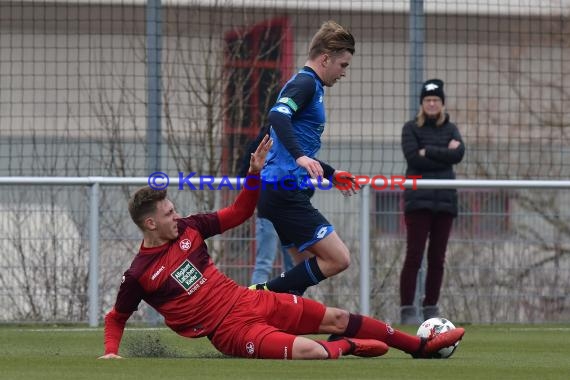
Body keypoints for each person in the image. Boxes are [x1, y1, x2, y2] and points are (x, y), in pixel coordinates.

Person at [99, 135, 465, 360]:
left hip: (249, 300)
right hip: (230, 332)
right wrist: (111, 353)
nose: (176, 215)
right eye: (168, 212)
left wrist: (254, 173)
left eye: (174, 209)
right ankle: (349, 346)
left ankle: (418, 347)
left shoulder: (190, 228)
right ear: (151, 224)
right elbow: (117, 317)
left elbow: (240, 212)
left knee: (336, 317)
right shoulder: (139, 273)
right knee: (312, 352)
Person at [251, 20, 359, 296]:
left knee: (298, 280)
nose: (344, 72)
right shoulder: (305, 83)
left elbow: (291, 147)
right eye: (343, 65)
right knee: (339, 258)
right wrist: (301, 157)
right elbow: (277, 115)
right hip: (284, 194)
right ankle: (258, 294)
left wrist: (332, 174)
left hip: (282, 192)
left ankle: (276, 331)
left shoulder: (312, 86)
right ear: (325, 58)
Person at [399, 79, 465, 325]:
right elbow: (414, 159)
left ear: (442, 103)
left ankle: (430, 308)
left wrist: (429, 151)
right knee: (414, 255)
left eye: (436, 100)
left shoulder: (452, 128)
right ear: (422, 103)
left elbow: (458, 154)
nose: (432, 104)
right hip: (419, 202)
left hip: (445, 201)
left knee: (437, 258)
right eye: (428, 100)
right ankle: (407, 310)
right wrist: (443, 154)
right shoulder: (410, 128)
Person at [237, 126, 295, 285]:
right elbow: (246, 169)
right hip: (271, 206)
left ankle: (291, 302)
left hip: (290, 208)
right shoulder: (270, 135)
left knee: (290, 264)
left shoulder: (298, 135)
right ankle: (255, 304)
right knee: (266, 263)